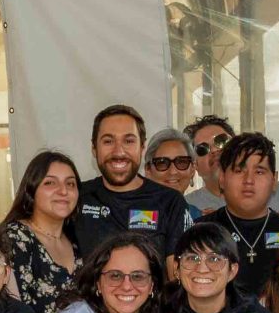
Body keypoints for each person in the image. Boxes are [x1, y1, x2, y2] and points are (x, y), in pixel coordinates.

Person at [72, 104, 191, 257]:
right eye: (108, 141)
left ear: (142, 147)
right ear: (94, 148)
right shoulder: (76, 197)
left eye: (128, 141)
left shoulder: (170, 202)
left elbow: (178, 272)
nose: (119, 152)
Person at [197, 132, 279, 296]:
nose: (249, 180)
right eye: (239, 170)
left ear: (274, 180)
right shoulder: (199, 232)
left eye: (259, 171)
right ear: (222, 179)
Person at [0, 150, 82, 313]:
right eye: (50, 183)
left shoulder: (77, 239)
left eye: (70, 183)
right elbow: (15, 312)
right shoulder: (15, 237)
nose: (63, 191)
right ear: (31, 190)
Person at [146, 128, 200, 203]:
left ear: (192, 170)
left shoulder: (196, 213)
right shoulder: (139, 213)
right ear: (148, 170)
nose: (173, 172)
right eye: (162, 163)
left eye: (181, 162)